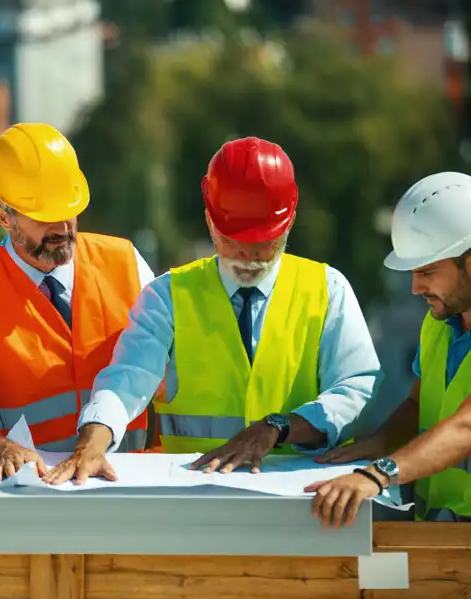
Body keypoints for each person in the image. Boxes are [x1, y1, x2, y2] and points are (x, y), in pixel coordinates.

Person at [43, 136, 382, 486]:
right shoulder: (167, 297)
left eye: (264, 243)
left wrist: (280, 428)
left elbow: (357, 389)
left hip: (304, 501)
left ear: (290, 221)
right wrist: (93, 442)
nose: (249, 256)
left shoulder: (328, 290)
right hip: (198, 503)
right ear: (210, 222)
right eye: (235, 240)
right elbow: (126, 380)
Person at [0, 123, 157, 481]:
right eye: (42, 215)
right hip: (33, 496)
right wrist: (0, 449)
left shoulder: (127, 263)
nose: (60, 227)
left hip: (126, 483)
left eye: (67, 210)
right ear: (4, 217)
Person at [306, 172, 471, 528]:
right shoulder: (440, 325)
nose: (415, 287)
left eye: (427, 270)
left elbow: (466, 427)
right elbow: (417, 404)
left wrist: (379, 474)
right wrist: (378, 444)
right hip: (446, 539)